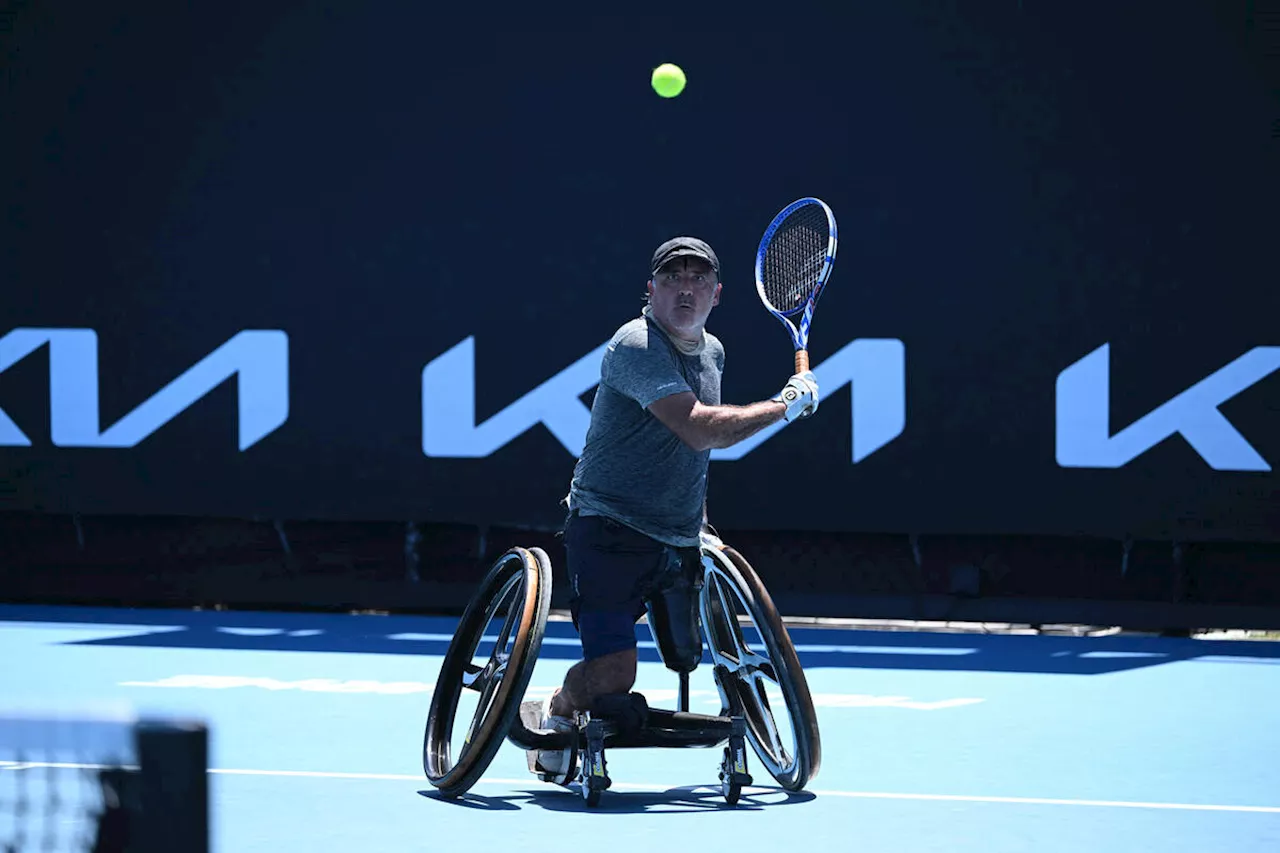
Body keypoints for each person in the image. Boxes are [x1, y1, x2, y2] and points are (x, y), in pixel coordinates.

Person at [525, 236, 819, 782]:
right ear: (651, 290)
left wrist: (700, 523)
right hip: (609, 530)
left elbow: (690, 453)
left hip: (678, 538)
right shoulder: (634, 345)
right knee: (614, 677)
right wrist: (784, 406)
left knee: (685, 655)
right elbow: (696, 426)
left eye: (698, 279)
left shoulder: (713, 351)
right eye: (673, 278)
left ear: (717, 293)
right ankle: (558, 709)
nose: (686, 288)